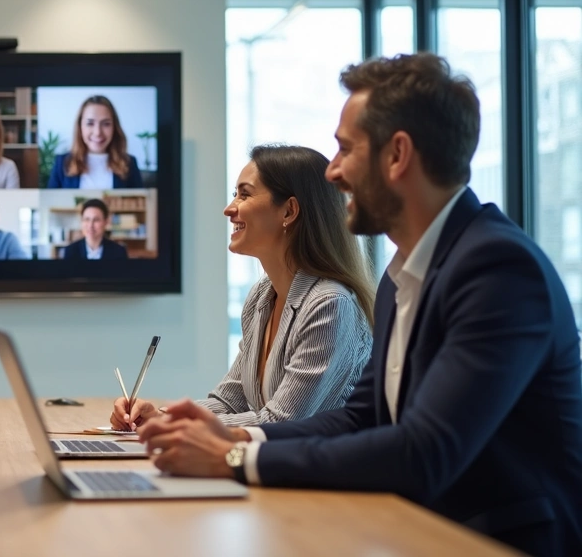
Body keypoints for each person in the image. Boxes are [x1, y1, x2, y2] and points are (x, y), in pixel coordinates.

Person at [138, 54, 582, 556]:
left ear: (397, 156)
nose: (332, 172)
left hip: (493, 540)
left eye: (345, 150)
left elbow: (423, 451)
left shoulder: (498, 270)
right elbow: (361, 417)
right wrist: (233, 439)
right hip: (416, 528)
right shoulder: (403, 275)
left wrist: (236, 457)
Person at [111, 145, 373, 430]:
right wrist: (161, 417)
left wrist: (180, 427)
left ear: (289, 210)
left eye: (244, 194)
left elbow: (280, 422)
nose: (229, 208)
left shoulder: (330, 304)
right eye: (234, 194)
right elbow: (229, 400)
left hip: (320, 474)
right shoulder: (262, 295)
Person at [48, 95, 143, 189]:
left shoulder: (129, 163)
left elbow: (142, 203)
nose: (98, 132)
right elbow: (50, 203)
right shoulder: (62, 163)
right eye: (90, 123)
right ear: (80, 127)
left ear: (114, 127)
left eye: (106, 124)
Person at [63, 198, 129, 260]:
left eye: (96, 220)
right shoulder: (70, 251)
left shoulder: (119, 252)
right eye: (87, 219)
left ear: (106, 222)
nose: (90, 225)